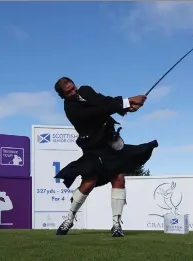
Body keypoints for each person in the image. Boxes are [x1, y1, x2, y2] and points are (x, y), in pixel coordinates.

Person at [53, 77, 158, 237]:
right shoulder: (70, 109)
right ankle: (69, 218)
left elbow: (104, 101)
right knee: (89, 182)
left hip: (108, 143)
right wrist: (127, 101)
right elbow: (96, 112)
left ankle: (116, 224)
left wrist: (127, 108)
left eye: (74, 88)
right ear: (63, 96)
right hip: (92, 147)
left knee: (118, 177)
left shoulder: (86, 90)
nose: (74, 92)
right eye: (69, 92)